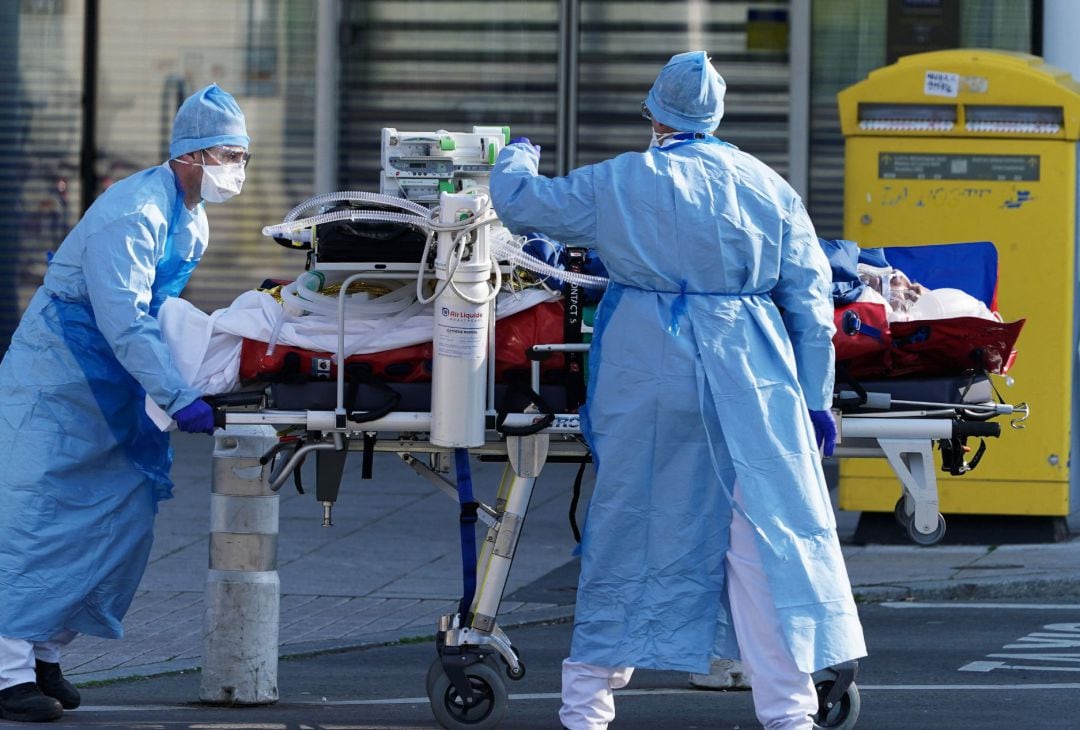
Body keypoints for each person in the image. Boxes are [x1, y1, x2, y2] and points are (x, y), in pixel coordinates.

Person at [490, 51, 866, 730]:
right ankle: (788, 714)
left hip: (649, 372)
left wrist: (515, 156)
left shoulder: (624, 179)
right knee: (763, 549)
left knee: (629, 529)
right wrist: (814, 399)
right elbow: (812, 307)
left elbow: (521, 205)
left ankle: (586, 711)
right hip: (752, 380)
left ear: (655, 117)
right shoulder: (767, 187)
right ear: (717, 117)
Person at [0, 84, 250, 723]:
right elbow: (125, 320)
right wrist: (177, 394)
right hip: (57, 380)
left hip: (113, 381)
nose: (235, 170)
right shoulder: (133, 213)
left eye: (241, 156)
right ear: (190, 154)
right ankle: (6, 670)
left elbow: (155, 316)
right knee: (37, 523)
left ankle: (45, 652)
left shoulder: (190, 214)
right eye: (226, 155)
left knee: (119, 519)